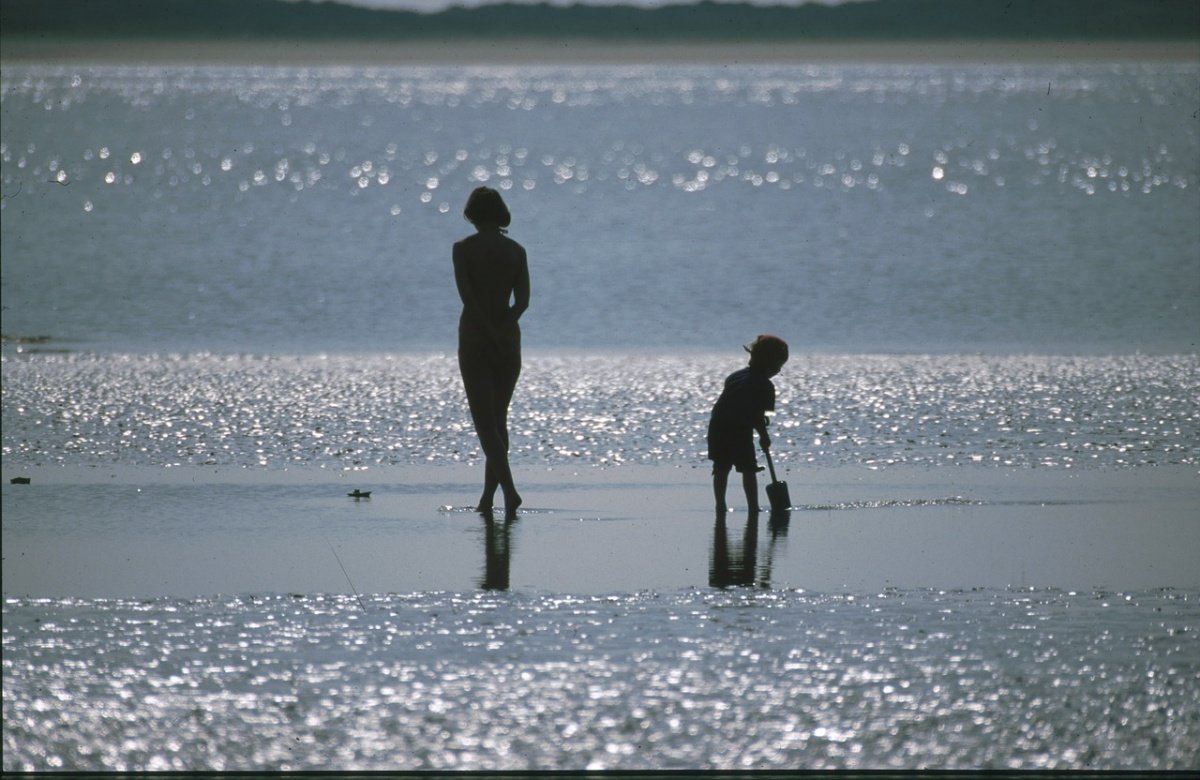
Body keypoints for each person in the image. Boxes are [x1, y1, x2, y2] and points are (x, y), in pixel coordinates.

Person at [453, 187, 529, 515]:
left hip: (475, 339)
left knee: (485, 424)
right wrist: (501, 329)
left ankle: (510, 493)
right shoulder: (516, 250)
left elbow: (468, 297)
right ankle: (488, 499)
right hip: (508, 340)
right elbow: (522, 302)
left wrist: (487, 330)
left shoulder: (463, 249)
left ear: (472, 213)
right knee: (498, 421)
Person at [707, 335, 789, 512]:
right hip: (739, 429)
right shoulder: (765, 386)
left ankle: (720, 505)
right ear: (768, 363)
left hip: (717, 425)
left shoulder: (734, 376)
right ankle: (754, 507)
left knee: (721, 467)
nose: (778, 371)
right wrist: (764, 437)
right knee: (748, 469)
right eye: (778, 367)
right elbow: (757, 415)